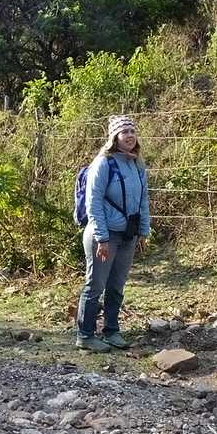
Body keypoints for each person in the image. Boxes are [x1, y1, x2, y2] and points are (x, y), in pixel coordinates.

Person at [75, 115, 150, 353]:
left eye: (132, 131)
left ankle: (111, 331)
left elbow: (143, 200)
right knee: (95, 285)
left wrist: (143, 231)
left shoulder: (137, 163)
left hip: (128, 235)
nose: (129, 135)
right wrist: (102, 238)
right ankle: (85, 335)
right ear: (114, 137)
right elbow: (93, 202)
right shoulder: (103, 163)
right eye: (124, 132)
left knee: (117, 286)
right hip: (104, 236)